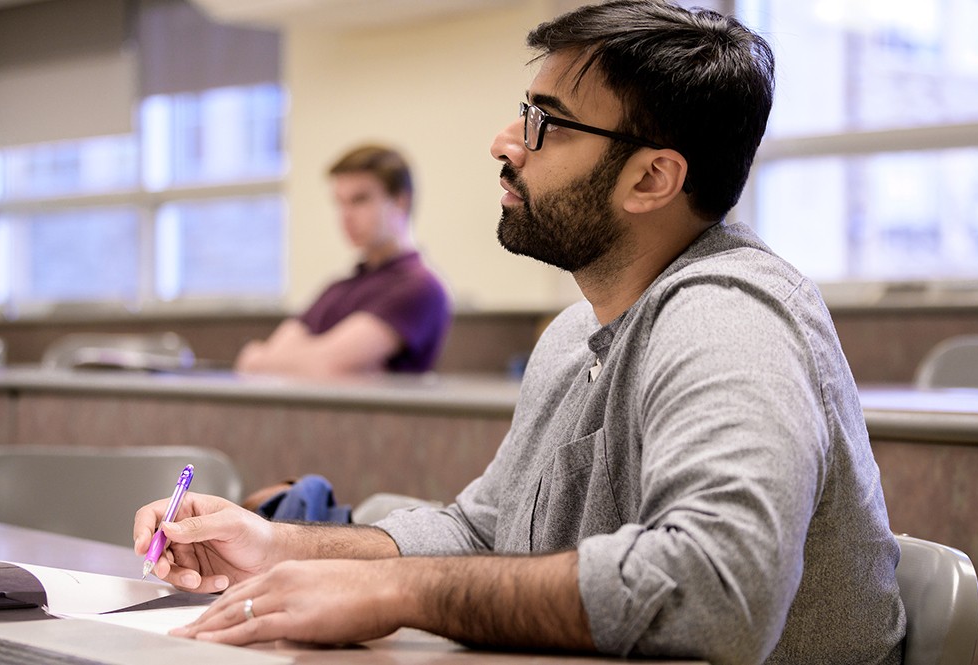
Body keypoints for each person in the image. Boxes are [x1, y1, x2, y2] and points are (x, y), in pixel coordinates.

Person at [134, 2, 906, 662]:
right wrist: (278, 545)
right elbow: (483, 532)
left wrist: (398, 590)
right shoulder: (575, 334)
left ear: (651, 178)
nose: (506, 142)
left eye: (546, 123)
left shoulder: (731, 316)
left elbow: (719, 589)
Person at [235, 144, 451, 377]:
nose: (346, 216)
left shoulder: (420, 287)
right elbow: (254, 364)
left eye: (359, 200)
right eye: (340, 202)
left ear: (400, 201)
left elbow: (327, 365)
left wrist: (284, 359)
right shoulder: (337, 289)